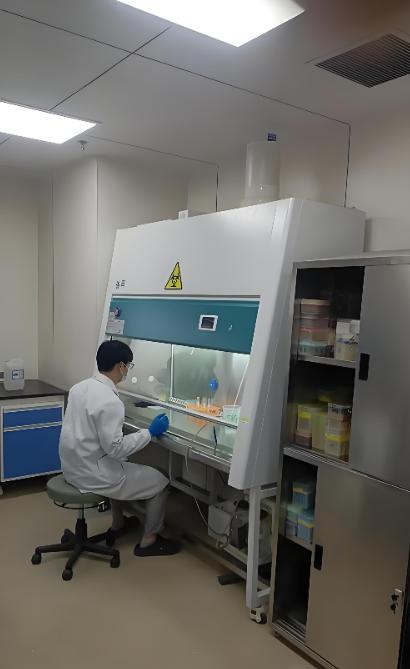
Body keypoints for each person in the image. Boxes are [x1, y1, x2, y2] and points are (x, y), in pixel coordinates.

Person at [59, 340, 180, 557]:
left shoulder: (79, 388)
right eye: (128, 366)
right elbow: (116, 448)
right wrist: (150, 432)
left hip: (72, 467)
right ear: (120, 366)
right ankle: (149, 540)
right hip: (92, 473)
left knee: (120, 464)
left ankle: (118, 524)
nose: (127, 371)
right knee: (161, 480)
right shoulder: (110, 401)